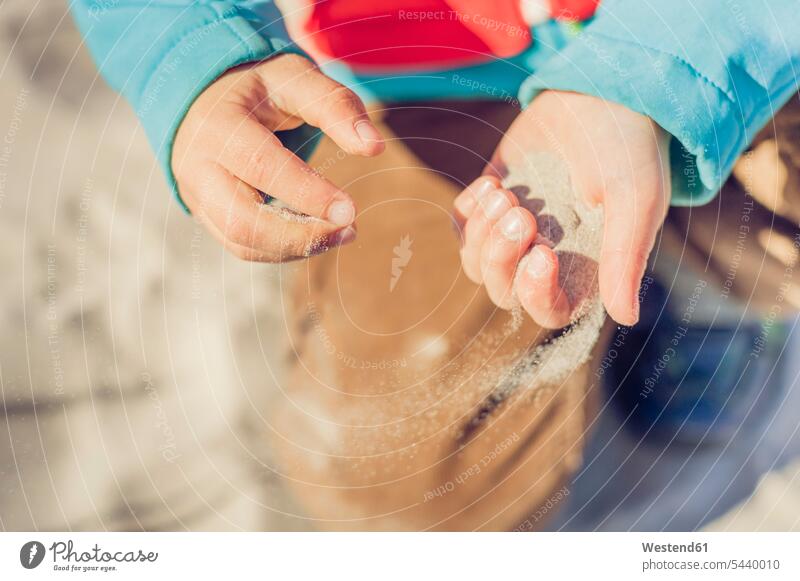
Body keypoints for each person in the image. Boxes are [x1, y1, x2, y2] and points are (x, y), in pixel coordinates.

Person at [68, 0, 800, 529]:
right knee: (388, 468)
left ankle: (709, 293)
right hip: (425, 96)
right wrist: (196, 49)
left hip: (715, 39)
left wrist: (658, 70)